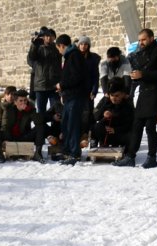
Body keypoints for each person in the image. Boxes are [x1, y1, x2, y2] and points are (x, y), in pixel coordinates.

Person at [114, 28, 157, 169]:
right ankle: (130, 157)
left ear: (152, 38)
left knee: (150, 127)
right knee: (137, 125)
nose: (141, 42)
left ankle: (151, 157)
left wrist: (143, 75)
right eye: (139, 40)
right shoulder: (141, 52)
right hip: (144, 93)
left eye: (143, 39)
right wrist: (135, 76)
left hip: (156, 93)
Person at [55, 33, 89, 166]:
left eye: (58, 48)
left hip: (75, 96)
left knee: (73, 125)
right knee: (67, 124)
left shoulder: (74, 56)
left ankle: (74, 153)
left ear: (62, 46)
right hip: (70, 96)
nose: (59, 51)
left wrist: (62, 85)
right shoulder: (72, 56)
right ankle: (67, 151)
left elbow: (76, 77)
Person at [0, 89, 45, 163]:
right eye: (21, 101)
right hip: (10, 136)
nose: (23, 103)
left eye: (25, 100)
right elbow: (5, 125)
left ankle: (38, 153)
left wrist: (29, 110)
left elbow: (39, 121)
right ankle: (0, 154)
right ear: (15, 102)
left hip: (23, 136)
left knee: (40, 127)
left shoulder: (30, 109)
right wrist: (5, 139)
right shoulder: (8, 109)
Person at [92, 78, 134, 148]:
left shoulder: (127, 102)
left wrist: (116, 130)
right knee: (96, 126)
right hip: (107, 133)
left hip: (121, 133)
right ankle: (95, 144)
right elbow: (95, 115)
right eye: (112, 95)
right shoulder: (106, 100)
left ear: (123, 94)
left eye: (117, 96)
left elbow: (131, 123)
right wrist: (103, 113)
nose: (114, 98)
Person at [27, 27, 61, 114]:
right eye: (46, 36)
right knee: (41, 112)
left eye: (51, 36)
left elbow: (59, 66)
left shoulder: (57, 48)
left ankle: (55, 127)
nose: (49, 38)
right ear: (43, 37)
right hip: (41, 85)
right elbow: (31, 58)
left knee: (57, 110)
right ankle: (42, 127)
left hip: (54, 85)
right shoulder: (38, 47)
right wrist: (34, 45)